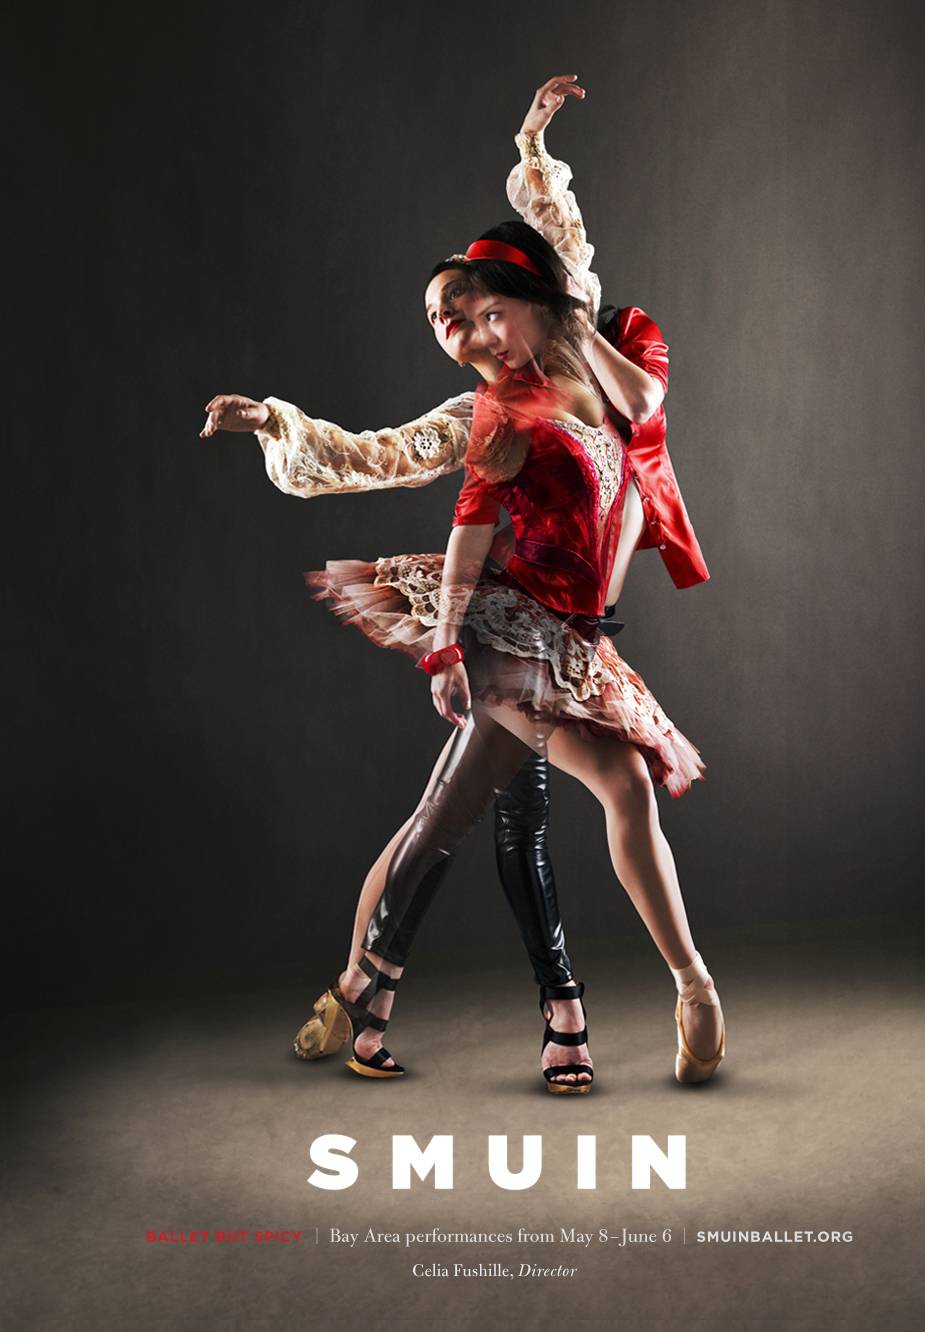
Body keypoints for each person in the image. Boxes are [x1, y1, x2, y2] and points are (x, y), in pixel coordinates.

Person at [202, 77, 723, 1090]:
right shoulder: (477, 418)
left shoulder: (610, 357)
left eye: (483, 311)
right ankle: (383, 988)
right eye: (446, 322)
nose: (465, 333)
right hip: (507, 622)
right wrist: (275, 422)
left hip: (579, 638)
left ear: (531, 303)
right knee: (469, 808)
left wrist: (532, 150)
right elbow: (377, 458)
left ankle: (684, 988)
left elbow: (580, 284)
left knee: (606, 791)